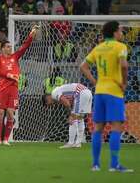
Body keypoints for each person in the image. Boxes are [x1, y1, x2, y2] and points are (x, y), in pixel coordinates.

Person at [80, 21, 133, 172]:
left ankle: (95, 164)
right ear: (115, 32)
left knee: (98, 128)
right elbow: (124, 65)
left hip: (100, 91)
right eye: (121, 31)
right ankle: (114, 164)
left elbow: (83, 66)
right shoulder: (120, 47)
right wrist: (124, 83)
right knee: (116, 126)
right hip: (114, 91)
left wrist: (95, 81)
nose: (122, 33)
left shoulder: (98, 47)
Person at [0, 26, 37, 145]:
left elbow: (25, 46)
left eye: (10, 47)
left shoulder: (15, 57)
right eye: (7, 47)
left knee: (11, 114)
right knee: (0, 114)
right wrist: (9, 75)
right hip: (2, 90)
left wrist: (31, 35)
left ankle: (6, 139)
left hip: (13, 90)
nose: (10, 48)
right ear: (2, 49)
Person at [48, 83, 92, 148]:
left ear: (47, 99)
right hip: (88, 92)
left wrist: (70, 115)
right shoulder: (59, 90)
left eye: (48, 104)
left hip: (80, 93)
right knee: (80, 119)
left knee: (72, 120)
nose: (50, 106)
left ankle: (70, 143)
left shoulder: (54, 93)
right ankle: (78, 143)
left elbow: (67, 103)